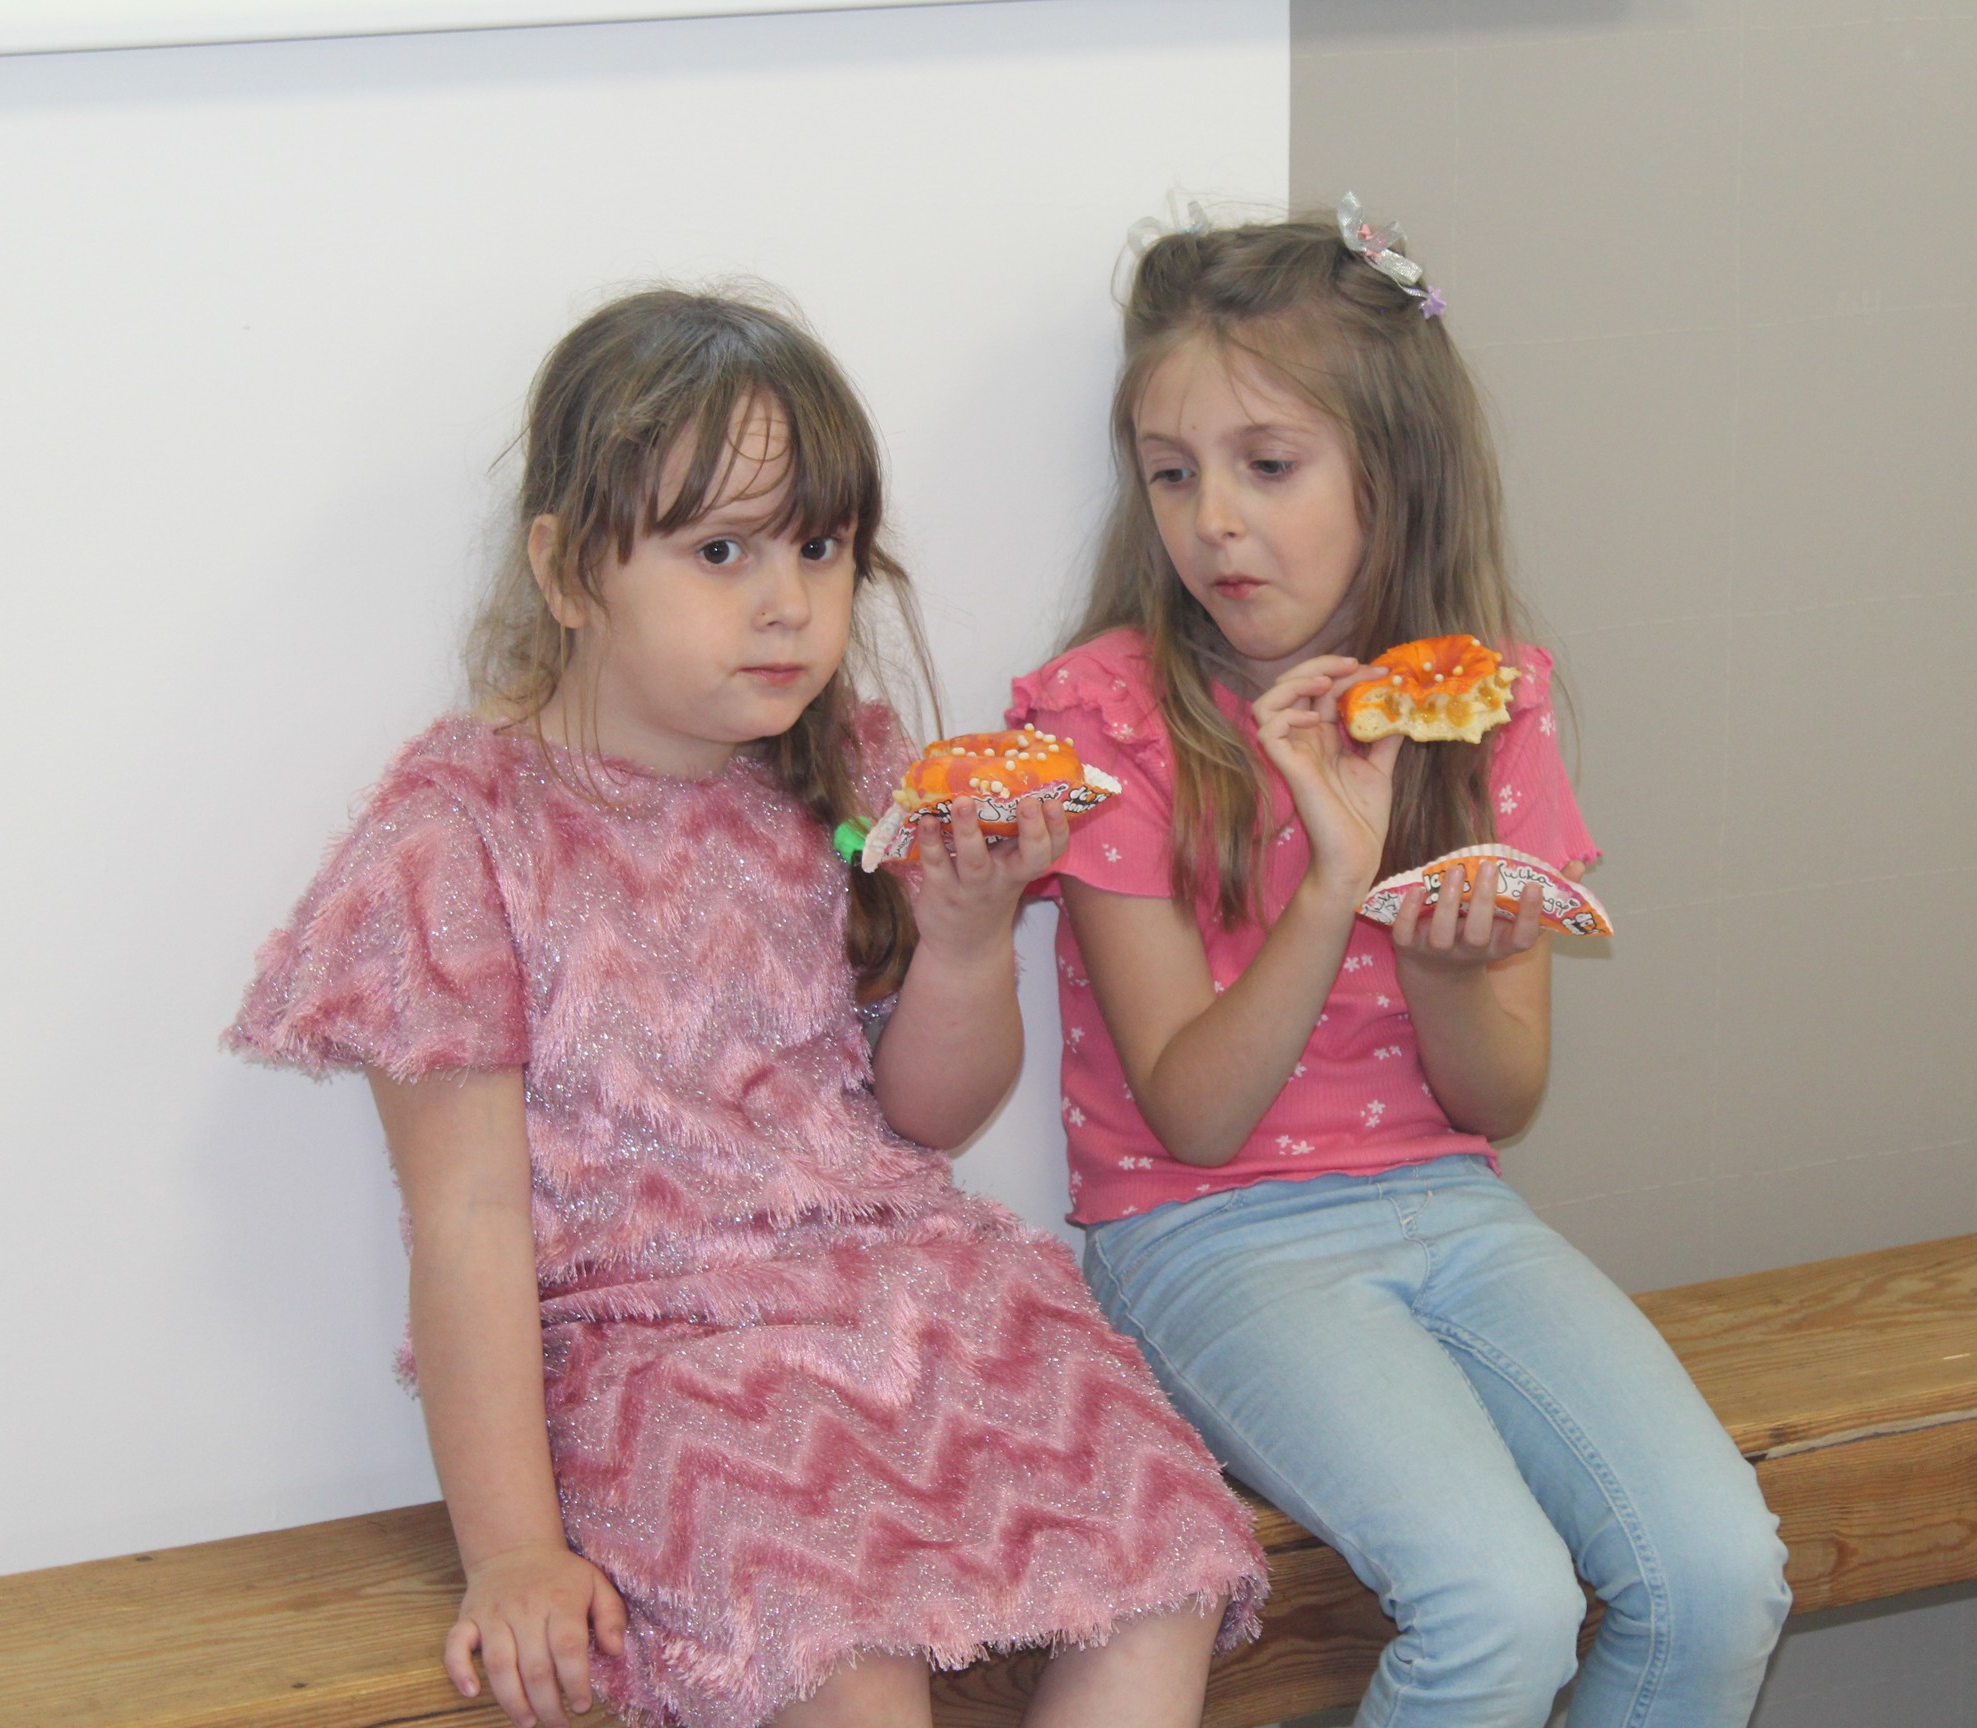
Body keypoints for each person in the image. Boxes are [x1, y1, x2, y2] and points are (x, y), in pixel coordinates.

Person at [228, 287, 1264, 1728]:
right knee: (841, 1657)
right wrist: (513, 1551)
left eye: (820, 549)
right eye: (721, 550)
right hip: (662, 1355)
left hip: (914, 1299)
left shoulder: (849, 778)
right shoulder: (461, 842)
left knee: (1168, 1572)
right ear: (567, 571)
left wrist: (966, 944)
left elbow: (925, 1117)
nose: (787, 603)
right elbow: (466, 1220)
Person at [1004, 208, 1790, 1728]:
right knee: (1498, 1607)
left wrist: (1443, 968)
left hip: (1451, 1208)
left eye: (1267, 465)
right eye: (1172, 472)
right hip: (1202, 1236)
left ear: (1395, 468)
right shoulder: (1108, 719)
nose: (1213, 523)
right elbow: (1195, 1118)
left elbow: (1501, 1097)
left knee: (1718, 1575)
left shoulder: (1482, 705)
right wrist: (1335, 879)